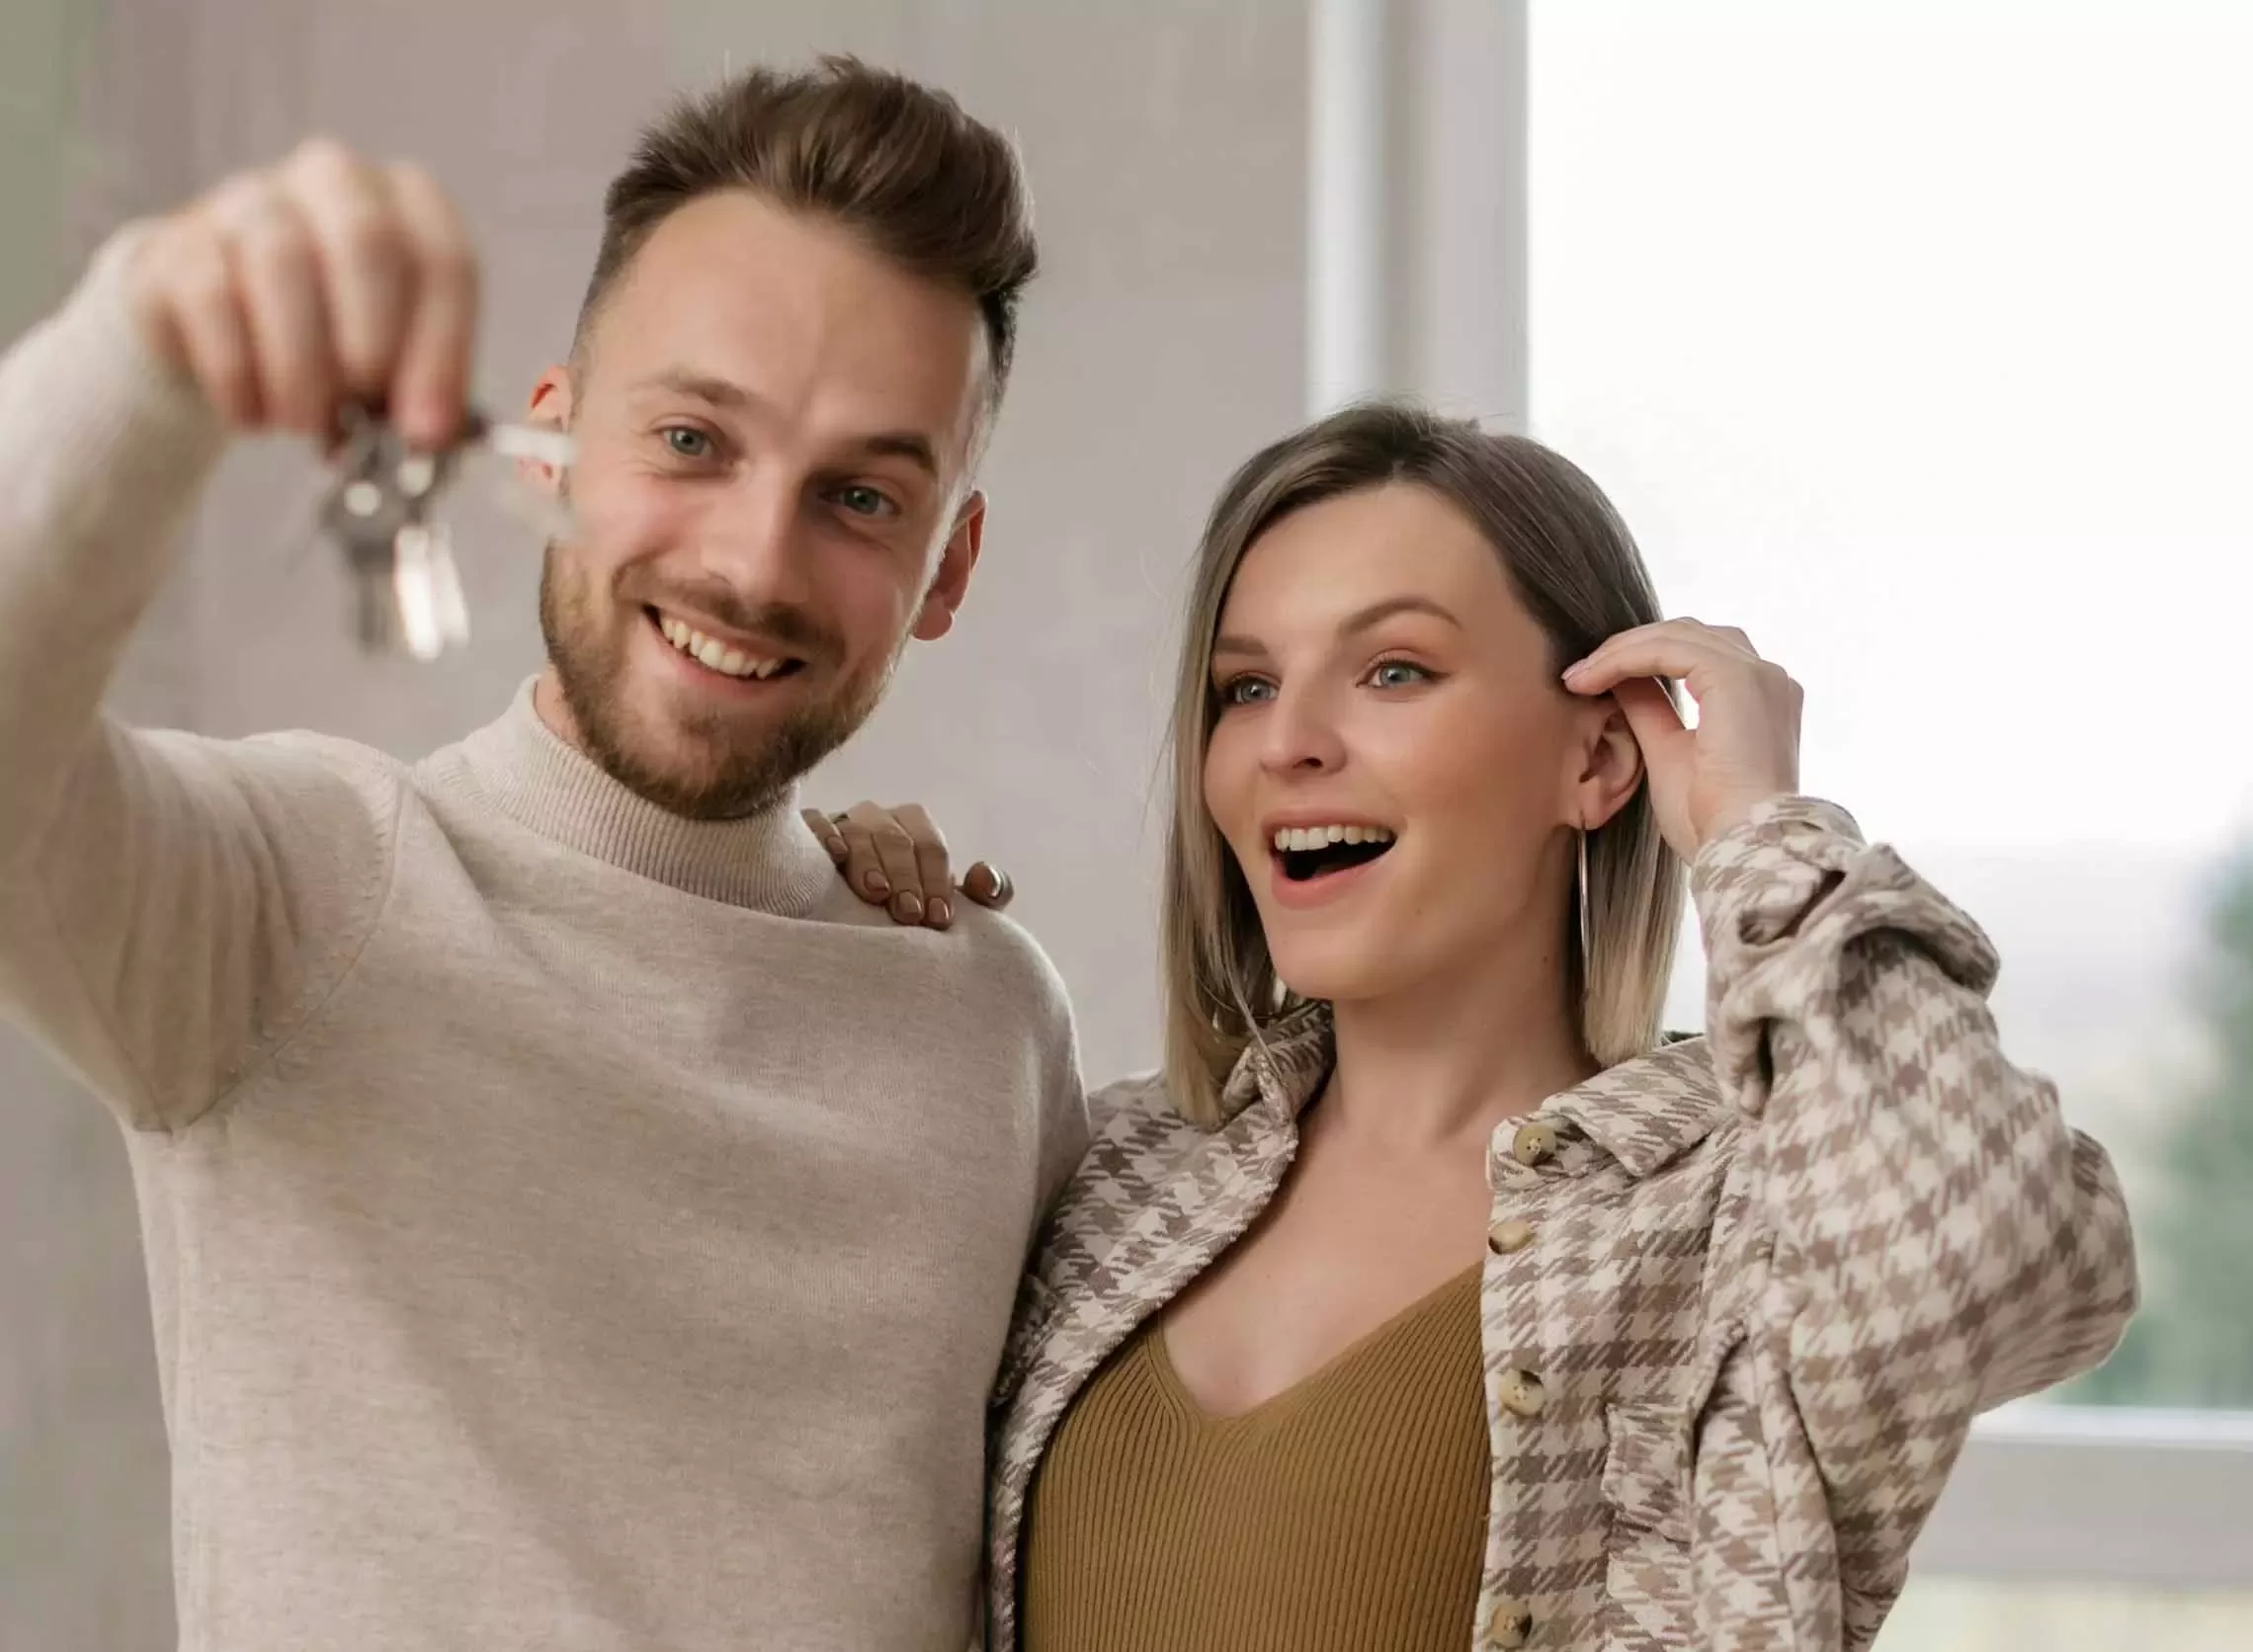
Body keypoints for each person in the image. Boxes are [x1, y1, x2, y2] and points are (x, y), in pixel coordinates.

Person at [0, 58, 1081, 1652]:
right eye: (695, 440)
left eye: (858, 494)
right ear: (545, 450)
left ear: (947, 565)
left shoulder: (988, 1018)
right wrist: (146, 334)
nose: (751, 561)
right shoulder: (291, 900)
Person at [815, 401, 2139, 1652]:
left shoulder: (1734, 1230)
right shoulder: (1109, 1176)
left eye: (1393, 670)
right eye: (1246, 687)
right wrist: (797, 915)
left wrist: (1760, 836)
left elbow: (2011, 1254)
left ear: (1597, 760)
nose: (1289, 744)